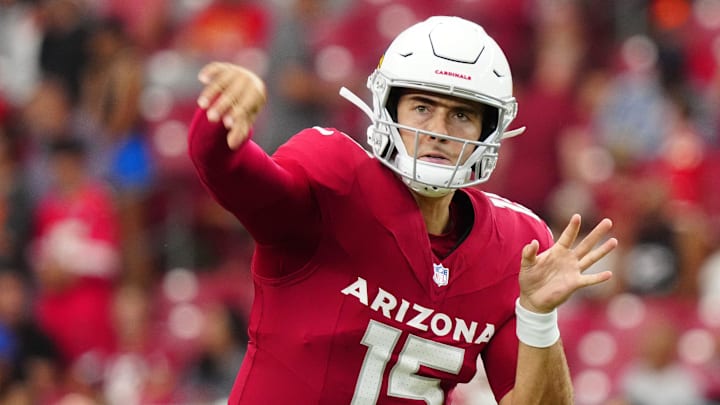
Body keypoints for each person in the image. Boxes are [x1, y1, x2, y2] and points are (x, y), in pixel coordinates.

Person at [187, 16, 618, 405]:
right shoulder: (334, 178)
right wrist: (219, 119)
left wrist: (539, 317)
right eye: (423, 107)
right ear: (388, 107)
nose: (438, 132)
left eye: (462, 115)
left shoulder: (516, 248)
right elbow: (240, 179)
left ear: (491, 131)